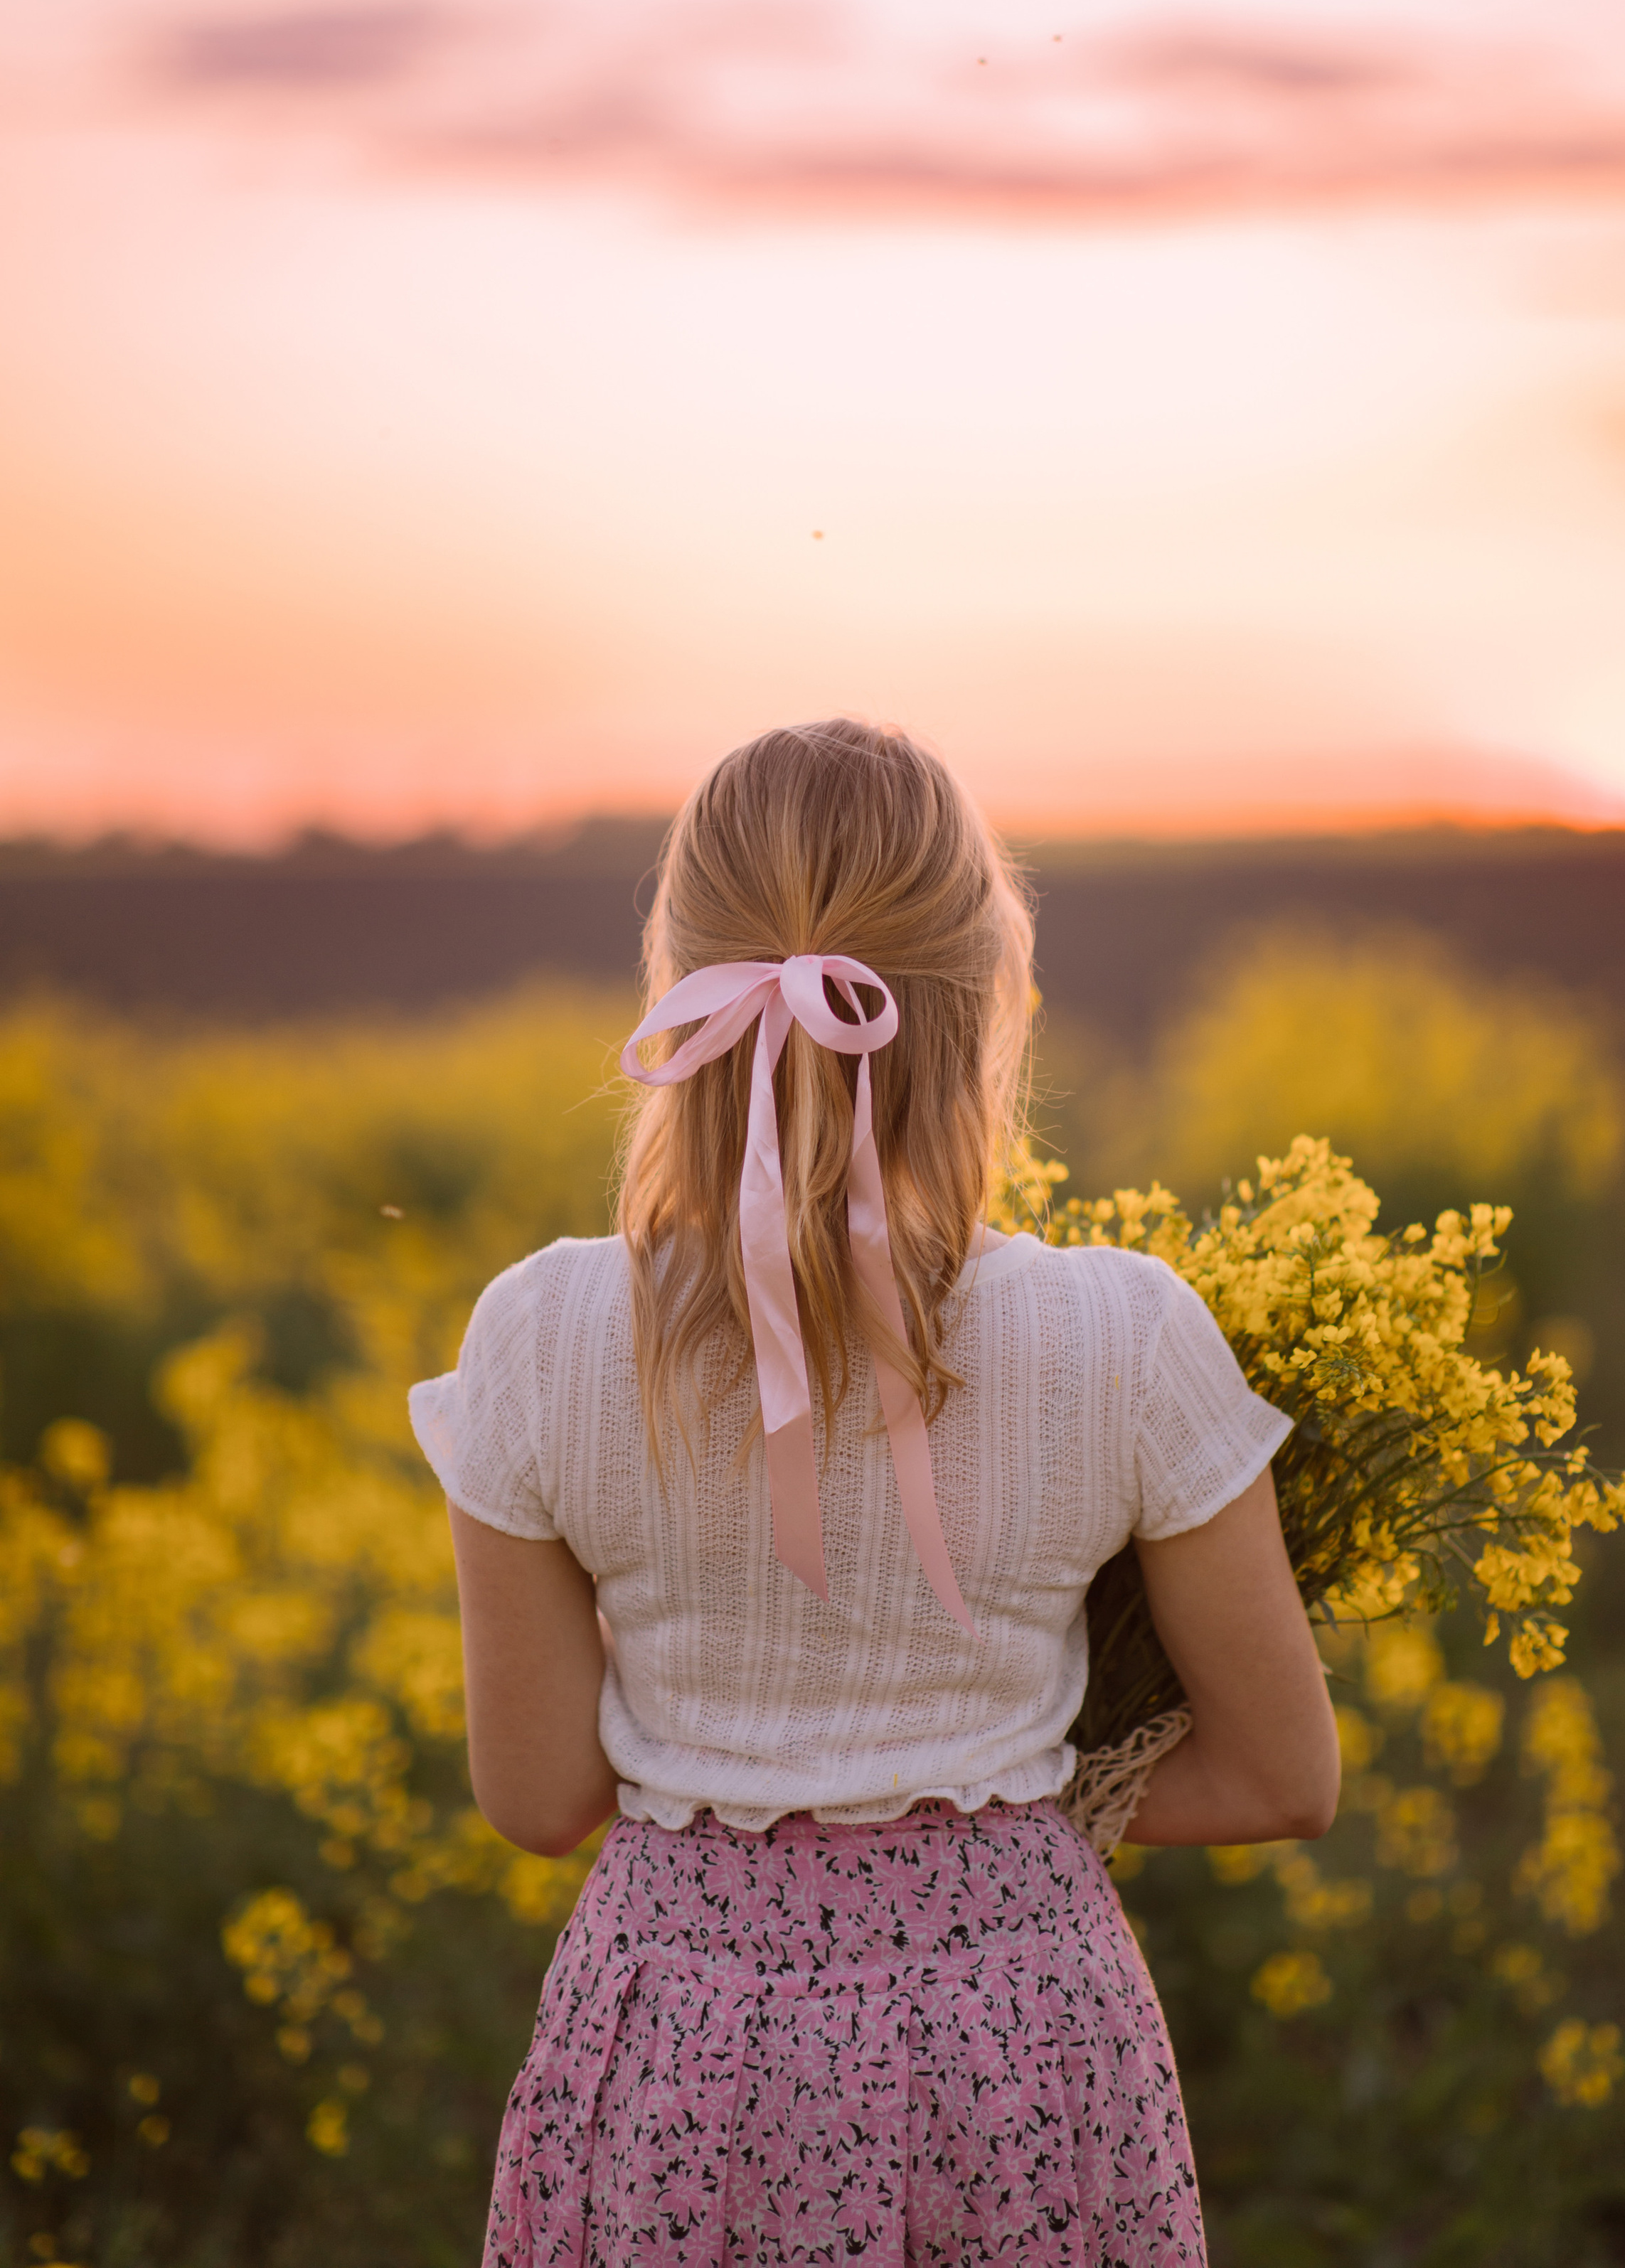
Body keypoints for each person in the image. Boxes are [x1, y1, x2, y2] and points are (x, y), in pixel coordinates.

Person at [409, 718, 1338, 2267]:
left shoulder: (540, 1338)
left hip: (678, 2045)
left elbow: (539, 1796)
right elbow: (1278, 1779)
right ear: (985, 1005)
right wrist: (1005, 1816)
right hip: (1018, 2033)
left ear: (679, 987)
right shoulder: (1122, 1335)